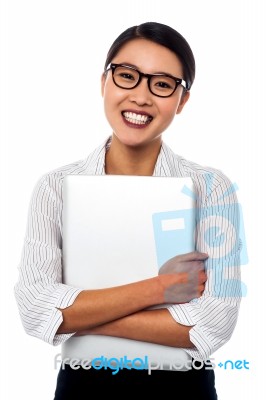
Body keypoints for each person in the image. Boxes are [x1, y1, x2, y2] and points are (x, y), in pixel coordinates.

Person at [14, 22, 242, 399]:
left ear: (181, 100)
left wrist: (80, 314)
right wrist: (160, 288)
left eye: (163, 84)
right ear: (104, 82)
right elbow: (35, 311)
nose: (141, 97)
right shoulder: (55, 187)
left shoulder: (212, 188)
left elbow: (212, 326)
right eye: (127, 76)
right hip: (82, 388)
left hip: (183, 390)